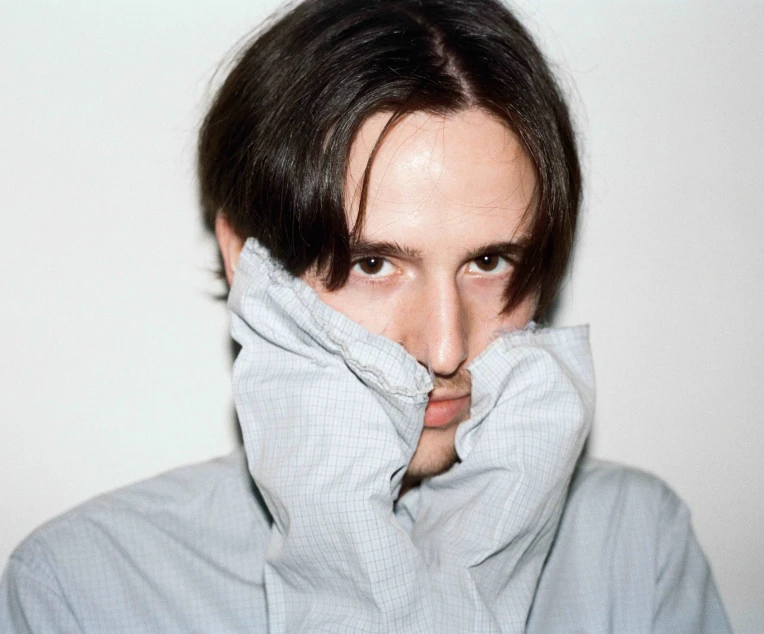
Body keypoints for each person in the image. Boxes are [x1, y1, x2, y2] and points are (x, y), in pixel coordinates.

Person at [0, 0, 731, 631]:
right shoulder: (85, 588)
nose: (445, 349)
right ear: (246, 261)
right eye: (373, 264)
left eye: (488, 262)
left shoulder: (635, 548)